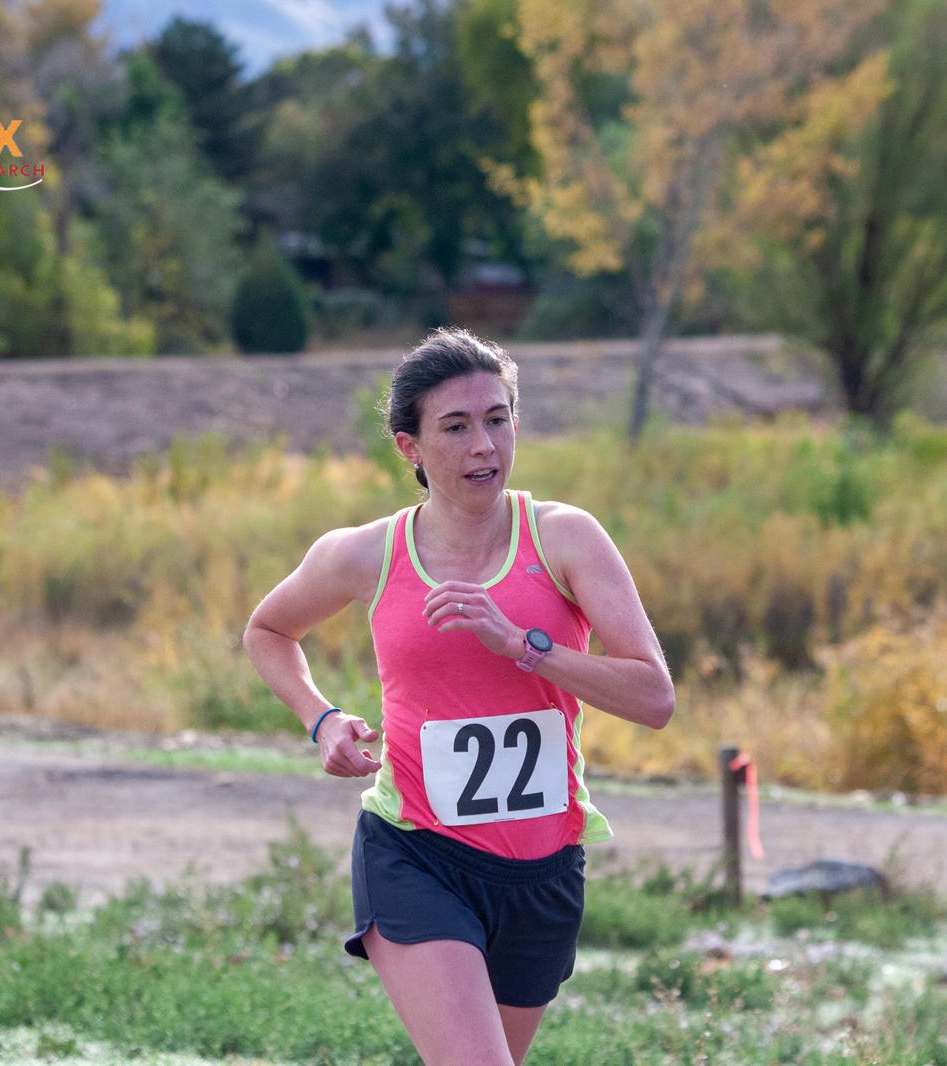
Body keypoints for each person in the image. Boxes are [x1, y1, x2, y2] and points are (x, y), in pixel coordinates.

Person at [242, 327, 674, 1066]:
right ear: (411, 448)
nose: (484, 446)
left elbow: (654, 698)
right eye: (457, 426)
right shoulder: (366, 552)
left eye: (498, 419)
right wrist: (321, 721)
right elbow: (268, 629)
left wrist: (526, 647)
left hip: (542, 868)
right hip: (417, 854)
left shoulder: (566, 538)